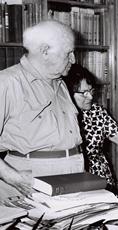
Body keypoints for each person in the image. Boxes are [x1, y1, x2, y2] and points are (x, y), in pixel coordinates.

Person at [0, 20, 83, 198]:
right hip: (29, 183)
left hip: (73, 176)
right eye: (68, 53)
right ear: (45, 51)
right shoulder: (7, 82)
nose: (74, 60)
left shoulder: (60, 83)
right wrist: (13, 178)